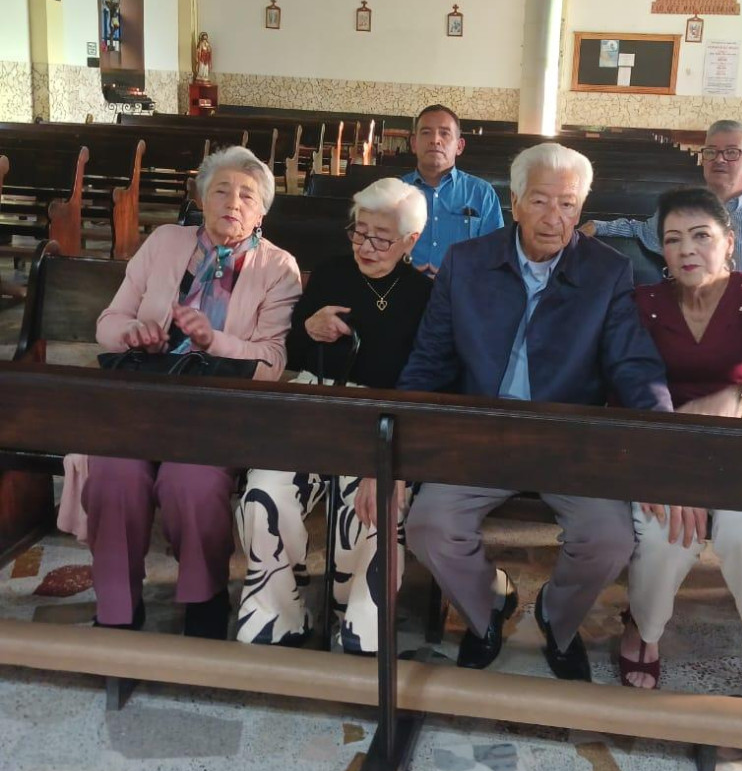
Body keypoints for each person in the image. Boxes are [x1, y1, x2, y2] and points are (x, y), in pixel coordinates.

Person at [399, 143, 672, 681]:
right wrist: (402, 446)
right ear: (515, 202)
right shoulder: (468, 262)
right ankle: (488, 608)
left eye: (568, 205)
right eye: (541, 202)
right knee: (429, 526)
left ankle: (556, 616)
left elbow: (635, 366)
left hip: (567, 436)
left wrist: (663, 441)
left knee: (609, 537)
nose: (555, 218)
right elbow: (428, 361)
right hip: (482, 430)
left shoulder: (607, 271)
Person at [59, 147, 301, 639]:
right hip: (144, 399)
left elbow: (273, 363)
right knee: (114, 473)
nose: (232, 202)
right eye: (221, 190)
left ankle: (204, 597)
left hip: (217, 406)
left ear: (261, 212)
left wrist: (215, 342)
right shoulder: (165, 241)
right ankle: (118, 605)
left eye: (246, 196)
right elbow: (108, 322)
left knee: (190, 481)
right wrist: (134, 332)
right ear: (201, 197)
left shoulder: (278, 267)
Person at [620, 186, 742, 704]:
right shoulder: (647, 302)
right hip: (670, 441)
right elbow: (631, 379)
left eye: (701, 236)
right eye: (673, 239)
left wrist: (740, 399)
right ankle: (644, 629)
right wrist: (673, 450)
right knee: (665, 531)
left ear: (729, 241)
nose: (687, 250)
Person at [235, 178, 430, 652]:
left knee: (374, 506)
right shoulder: (331, 272)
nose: (365, 245)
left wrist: (386, 455)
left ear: (410, 241)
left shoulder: (425, 294)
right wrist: (309, 326)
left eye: (381, 237)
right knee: (264, 492)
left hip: (387, 417)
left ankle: (358, 621)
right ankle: (279, 615)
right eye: (358, 231)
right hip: (317, 404)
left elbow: (427, 377)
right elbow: (294, 350)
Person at [581, 120, 742, 304]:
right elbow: (642, 230)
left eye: (731, 153)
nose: (719, 160)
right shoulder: (682, 207)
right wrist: (597, 226)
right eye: (711, 152)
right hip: (686, 321)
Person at [402, 104, 504, 274]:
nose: (435, 140)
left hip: (463, 293)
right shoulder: (395, 192)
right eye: (426, 132)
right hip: (403, 289)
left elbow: (496, 255)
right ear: (413, 143)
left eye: (445, 133)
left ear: (459, 146)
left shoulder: (482, 193)